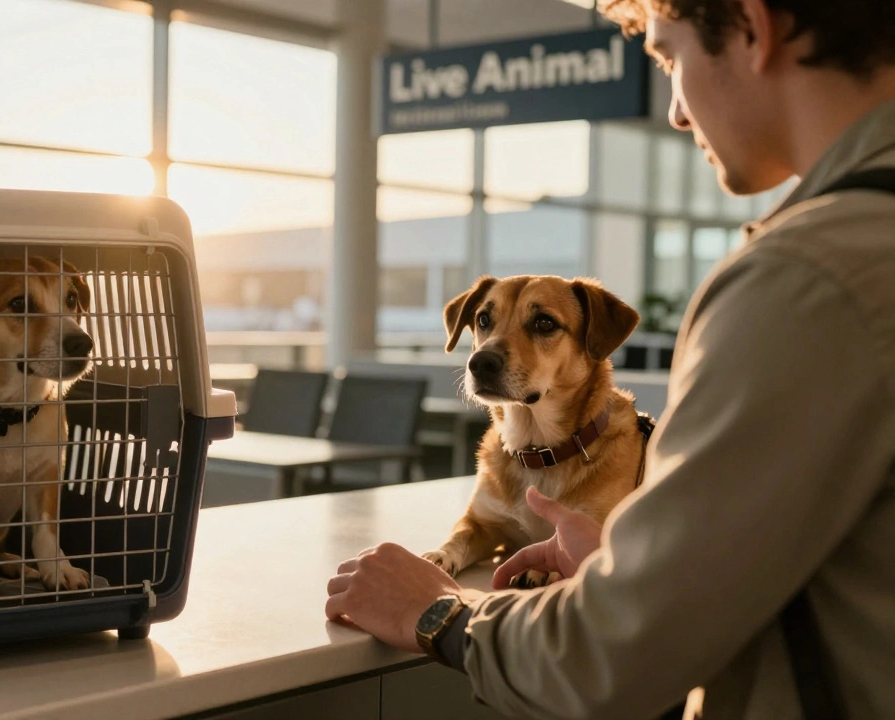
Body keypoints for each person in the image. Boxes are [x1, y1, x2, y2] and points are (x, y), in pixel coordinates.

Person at [324, 0, 895, 717]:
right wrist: (635, 573)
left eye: (667, 58)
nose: (679, 112)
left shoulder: (808, 276)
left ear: (754, 25)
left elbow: (616, 656)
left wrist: (440, 613)